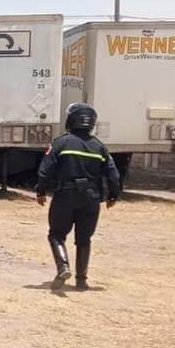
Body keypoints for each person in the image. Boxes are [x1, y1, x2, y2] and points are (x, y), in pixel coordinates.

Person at [36, 103, 121, 290]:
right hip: (91, 199)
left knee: (56, 235)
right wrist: (113, 196)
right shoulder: (100, 147)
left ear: (71, 120)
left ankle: (63, 267)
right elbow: (113, 175)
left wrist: (40, 191)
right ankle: (81, 281)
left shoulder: (61, 143)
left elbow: (45, 170)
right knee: (84, 239)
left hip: (65, 196)